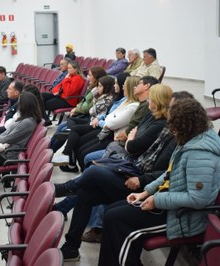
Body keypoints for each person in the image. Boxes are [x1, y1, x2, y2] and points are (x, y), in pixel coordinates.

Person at [57, 84, 175, 261]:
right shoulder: (152, 118)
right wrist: (131, 141)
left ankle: (66, 188)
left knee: (95, 171)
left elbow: (139, 149)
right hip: (132, 167)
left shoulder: (167, 130)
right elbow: (135, 144)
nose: (148, 100)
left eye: (151, 97)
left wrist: (140, 175)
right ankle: (71, 247)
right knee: (85, 192)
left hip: (138, 181)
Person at [99, 98, 220, 266]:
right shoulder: (190, 140)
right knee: (111, 212)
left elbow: (198, 199)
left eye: (174, 126)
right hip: (170, 205)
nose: (171, 130)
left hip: (183, 218)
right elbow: (170, 173)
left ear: (185, 125)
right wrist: (146, 192)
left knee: (116, 221)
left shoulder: (200, 154)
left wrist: (156, 200)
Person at [50, 66, 107, 152]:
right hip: (83, 113)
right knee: (61, 127)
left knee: (64, 129)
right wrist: (76, 108)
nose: (88, 77)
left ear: (96, 77)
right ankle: (49, 149)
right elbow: (83, 101)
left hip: (87, 117)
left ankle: (51, 151)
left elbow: (87, 108)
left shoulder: (97, 90)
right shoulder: (91, 87)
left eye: (90, 75)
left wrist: (76, 110)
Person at [42, 60, 86, 126]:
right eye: (68, 68)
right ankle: (45, 120)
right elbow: (57, 87)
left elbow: (68, 92)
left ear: (75, 69)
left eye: (70, 68)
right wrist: (56, 92)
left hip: (68, 101)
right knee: (40, 95)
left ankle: (45, 120)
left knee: (43, 104)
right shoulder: (70, 76)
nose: (68, 70)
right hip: (61, 96)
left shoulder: (78, 78)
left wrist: (66, 80)